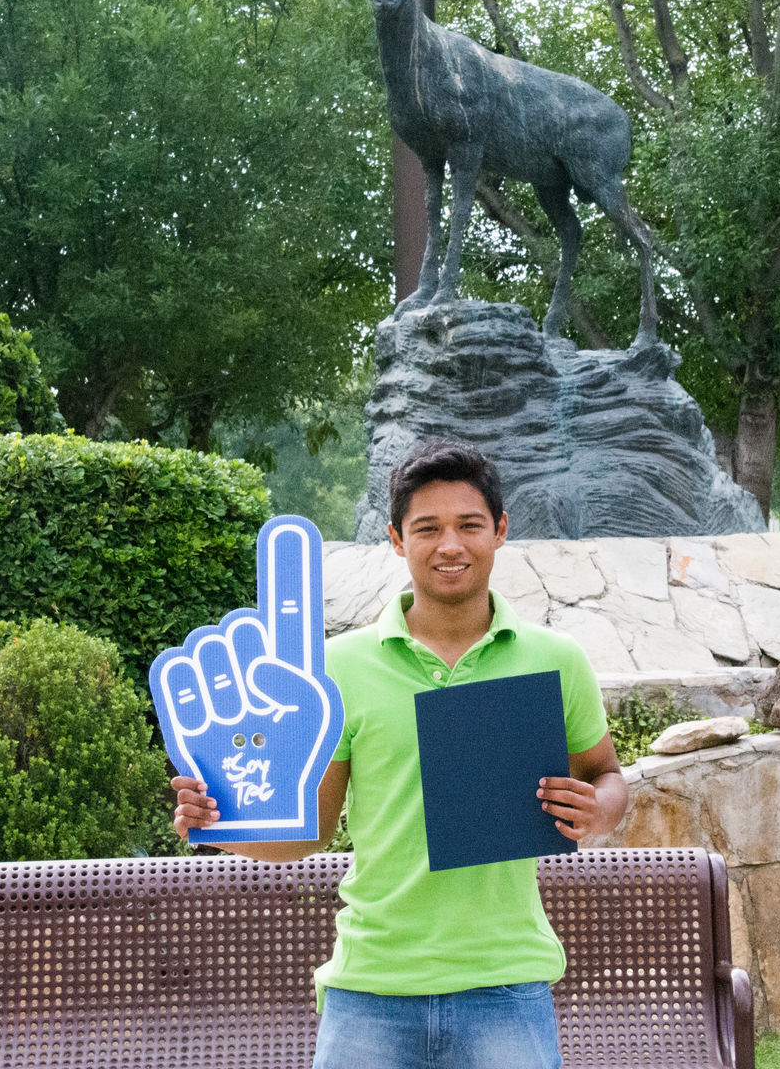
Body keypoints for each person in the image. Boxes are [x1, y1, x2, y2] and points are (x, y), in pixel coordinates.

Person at [172, 436, 628, 1069]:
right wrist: (217, 822)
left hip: (506, 980)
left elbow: (607, 777)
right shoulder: (336, 668)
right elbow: (313, 832)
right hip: (370, 988)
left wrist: (600, 811)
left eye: (469, 525)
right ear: (395, 538)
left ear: (499, 531)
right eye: (427, 528)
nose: (450, 545)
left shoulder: (556, 659)